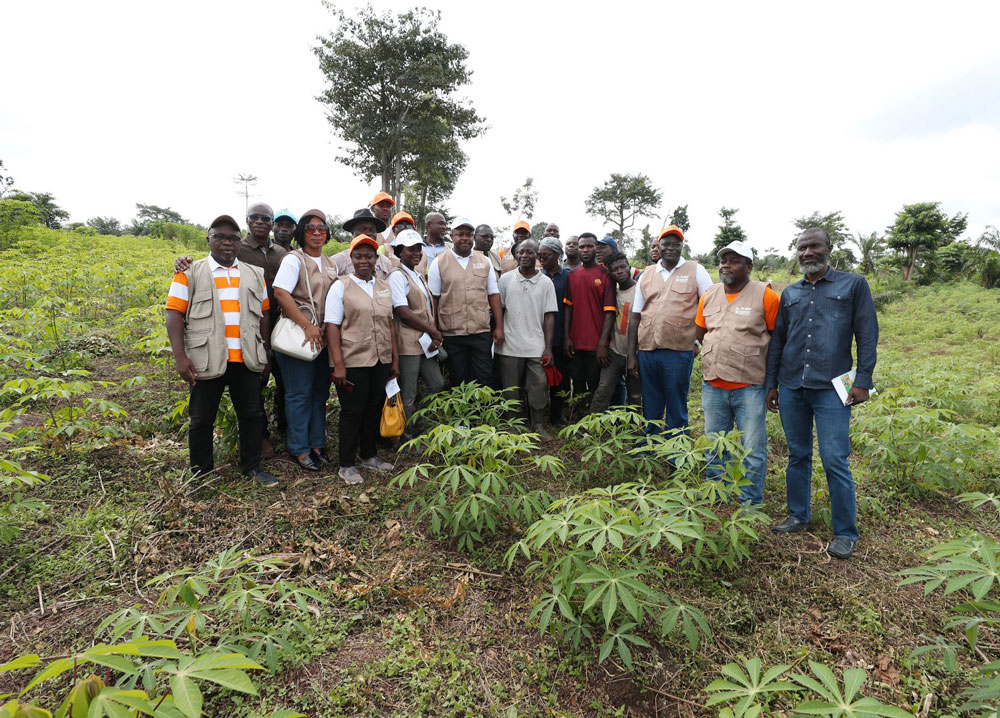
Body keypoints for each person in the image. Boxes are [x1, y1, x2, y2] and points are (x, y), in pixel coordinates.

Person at [766, 228, 878, 559]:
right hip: (792, 385)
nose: (807, 253)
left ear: (829, 248)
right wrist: (772, 383)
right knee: (798, 454)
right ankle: (798, 515)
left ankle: (845, 531)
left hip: (832, 388)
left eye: (813, 246)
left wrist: (864, 381)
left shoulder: (853, 285)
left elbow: (867, 335)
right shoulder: (790, 293)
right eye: (801, 248)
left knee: (834, 458)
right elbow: (779, 341)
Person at [165, 215, 277, 488]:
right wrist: (180, 357)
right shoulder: (189, 272)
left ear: (240, 243)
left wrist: (265, 352)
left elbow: (263, 314)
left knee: (251, 415)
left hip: (246, 358)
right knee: (202, 419)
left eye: (233, 238)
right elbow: (174, 313)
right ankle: (200, 474)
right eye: (220, 237)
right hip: (206, 358)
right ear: (209, 240)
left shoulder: (254, 273)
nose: (227, 243)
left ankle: (251, 468)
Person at [695, 241, 780, 506]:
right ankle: (716, 496)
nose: (726, 265)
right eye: (723, 261)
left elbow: (778, 340)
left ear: (749, 266)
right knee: (715, 445)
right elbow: (700, 331)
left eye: (734, 261)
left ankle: (750, 502)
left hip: (750, 387)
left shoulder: (766, 296)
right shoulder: (709, 295)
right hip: (713, 385)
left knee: (753, 450)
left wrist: (774, 383)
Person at [326, 234, 401, 484]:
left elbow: (390, 324)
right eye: (358, 256)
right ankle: (346, 464)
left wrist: (395, 360)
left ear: (376, 259)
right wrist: (338, 365)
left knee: (372, 408)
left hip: (381, 359)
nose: (364, 261)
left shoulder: (383, 286)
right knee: (352, 411)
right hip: (353, 360)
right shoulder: (341, 286)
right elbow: (333, 326)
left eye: (369, 256)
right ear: (351, 258)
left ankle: (369, 455)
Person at [627, 225, 713, 434]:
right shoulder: (647, 274)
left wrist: (699, 341)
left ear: (682, 247)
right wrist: (631, 354)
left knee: (676, 399)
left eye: (676, 244)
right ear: (659, 246)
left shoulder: (695, 270)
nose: (671, 248)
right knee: (651, 399)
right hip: (648, 349)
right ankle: (651, 441)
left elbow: (710, 307)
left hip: (679, 350)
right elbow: (635, 315)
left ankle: (677, 448)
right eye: (666, 244)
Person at [272, 209, 339, 472]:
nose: (316, 233)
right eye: (310, 228)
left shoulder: (331, 263)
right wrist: (307, 325)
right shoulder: (294, 260)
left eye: (321, 228)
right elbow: (280, 293)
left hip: (322, 338)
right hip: (299, 337)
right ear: (302, 232)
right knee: (299, 393)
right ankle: (299, 448)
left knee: (319, 393)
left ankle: (316, 443)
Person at [428, 217, 504, 386]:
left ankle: (482, 412)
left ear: (473, 237)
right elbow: (434, 298)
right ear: (451, 236)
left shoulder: (485, 262)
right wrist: (434, 329)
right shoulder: (438, 262)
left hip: (481, 332)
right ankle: (462, 413)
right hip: (452, 333)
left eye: (469, 234)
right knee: (458, 380)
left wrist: (499, 327)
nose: (465, 238)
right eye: (460, 234)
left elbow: (493, 295)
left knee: (484, 379)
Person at [496, 239, 557, 438]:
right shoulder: (505, 279)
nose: (524, 256)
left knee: (538, 387)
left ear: (537, 255)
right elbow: (500, 310)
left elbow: (549, 316)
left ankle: (538, 425)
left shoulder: (546, 282)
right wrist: (498, 332)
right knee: (511, 390)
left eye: (529, 252)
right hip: (509, 346)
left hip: (536, 347)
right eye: (521, 252)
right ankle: (514, 426)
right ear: (516, 255)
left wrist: (548, 348)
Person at [387, 229, 445, 435]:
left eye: (419, 248)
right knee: (408, 392)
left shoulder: (417, 275)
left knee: (436, 384)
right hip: (408, 343)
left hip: (424, 341)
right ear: (400, 251)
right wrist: (434, 331)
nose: (417, 253)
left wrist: (432, 333)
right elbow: (403, 312)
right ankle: (406, 436)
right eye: (411, 249)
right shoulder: (397, 276)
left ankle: (418, 422)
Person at [563, 233, 616, 412]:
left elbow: (609, 312)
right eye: (582, 247)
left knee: (595, 384)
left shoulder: (605, 274)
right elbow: (568, 308)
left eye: (589, 246)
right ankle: (578, 420)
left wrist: (602, 343)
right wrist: (567, 337)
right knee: (577, 383)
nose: (585, 250)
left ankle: (593, 422)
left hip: (596, 344)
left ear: (596, 248)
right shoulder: (572, 275)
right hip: (576, 342)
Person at [590, 252, 642, 413]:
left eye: (623, 267)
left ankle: (632, 430)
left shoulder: (640, 292)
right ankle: (592, 426)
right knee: (603, 389)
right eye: (614, 269)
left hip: (636, 353)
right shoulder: (613, 291)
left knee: (635, 394)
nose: (619, 271)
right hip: (614, 351)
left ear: (629, 267)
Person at [538, 237, 571, 424]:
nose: (541, 258)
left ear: (557, 255)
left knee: (560, 377)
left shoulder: (567, 277)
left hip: (559, 334)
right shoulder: (537, 275)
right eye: (540, 254)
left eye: (546, 255)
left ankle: (557, 415)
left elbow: (570, 308)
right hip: (538, 333)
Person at [332, 209, 394, 280]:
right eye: (362, 229)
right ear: (352, 233)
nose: (368, 233)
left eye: (372, 230)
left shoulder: (386, 262)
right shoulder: (337, 261)